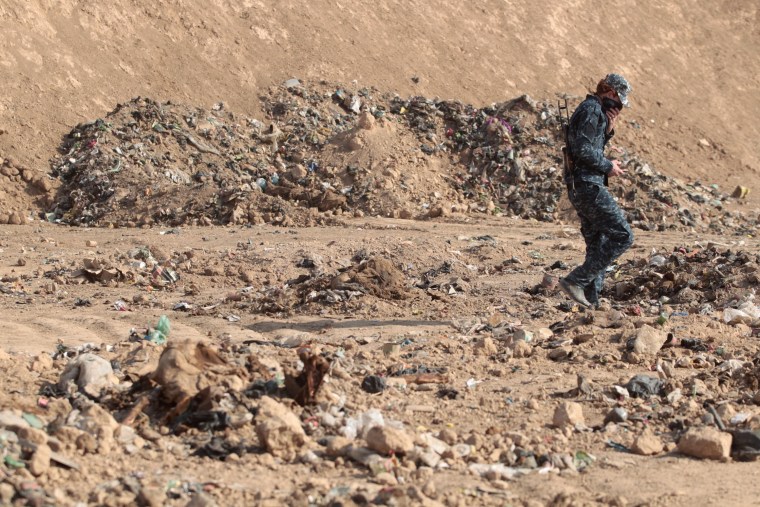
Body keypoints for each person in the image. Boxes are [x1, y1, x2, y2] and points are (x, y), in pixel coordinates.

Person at [559, 73, 635, 309]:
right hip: (588, 185)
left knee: (599, 243)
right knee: (623, 235)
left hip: (581, 185)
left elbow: (588, 144)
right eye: (619, 101)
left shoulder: (593, 111)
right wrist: (607, 166)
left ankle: (591, 302)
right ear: (611, 93)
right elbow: (582, 149)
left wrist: (609, 130)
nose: (619, 106)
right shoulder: (592, 110)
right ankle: (576, 280)